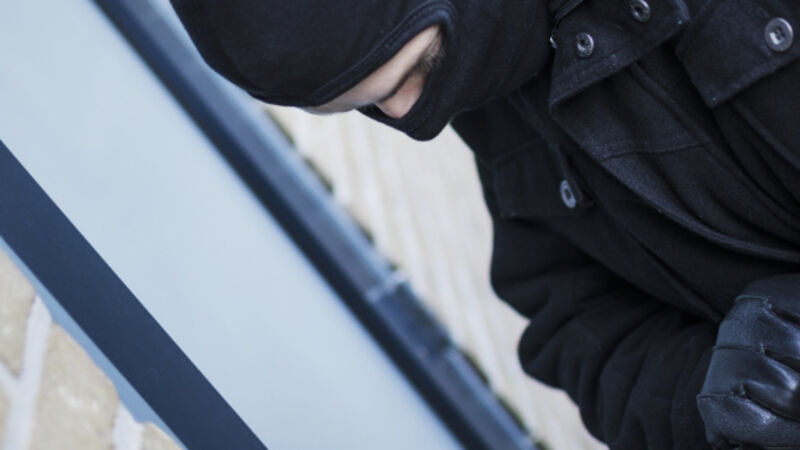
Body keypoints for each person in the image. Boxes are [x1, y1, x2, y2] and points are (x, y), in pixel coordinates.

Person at [170, 0, 800, 448]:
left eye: (419, 66)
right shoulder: (496, 94)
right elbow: (580, 325)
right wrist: (717, 392)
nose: (410, 116)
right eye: (367, 107)